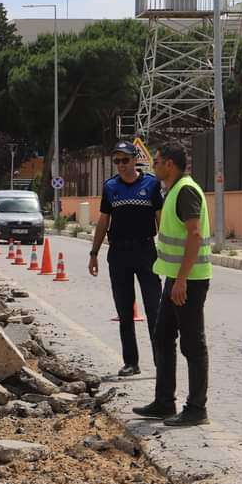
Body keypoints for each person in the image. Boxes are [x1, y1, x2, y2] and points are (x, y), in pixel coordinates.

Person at [132, 143, 212, 427]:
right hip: (175, 279)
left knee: (192, 343)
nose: (153, 166)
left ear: (169, 164)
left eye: (157, 162)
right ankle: (164, 402)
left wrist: (181, 280)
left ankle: (196, 408)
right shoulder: (173, 190)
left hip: (188, 280)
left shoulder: (186, 191)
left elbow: (194, 235)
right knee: (163, 336)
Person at [88, 141, 164, 377]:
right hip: (118, 253)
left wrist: (169, 252)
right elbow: (103, 221)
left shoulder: (151, 184)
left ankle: (162, 361)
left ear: (135, 160)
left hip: (146, 252)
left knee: (154, 309)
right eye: (117, 161)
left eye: (125, 160)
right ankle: (131, 362)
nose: (121, 165)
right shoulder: (110, 187)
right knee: (124, 310)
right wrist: (94, 253)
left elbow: (161, 218)